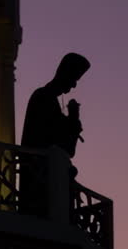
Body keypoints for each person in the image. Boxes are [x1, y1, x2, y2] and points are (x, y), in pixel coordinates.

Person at [19, 53, 89, 214]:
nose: (74, 86)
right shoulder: (43, 97)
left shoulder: (47, 99)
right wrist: (72, 121)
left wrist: (72, 121)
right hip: (40, 180)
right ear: (64, 74)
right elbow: (61, 144)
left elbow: (66, 147)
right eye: (74, 79)